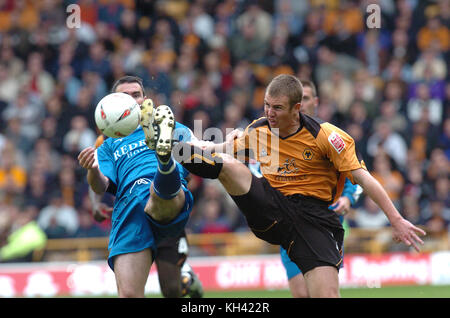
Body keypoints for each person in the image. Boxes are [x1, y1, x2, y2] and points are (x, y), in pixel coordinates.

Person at [174, 74, 426, 297]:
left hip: (314, 219)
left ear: (296, 108)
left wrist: (395, 219)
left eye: (277, 108)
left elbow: (364, 179)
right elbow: (219, 149)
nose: (269, 113)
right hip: (273, 206)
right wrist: (187, 147)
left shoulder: (325, 136)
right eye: (266, 106)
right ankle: (170, 151)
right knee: (228, 164)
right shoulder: (260, 130)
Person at [78, 75, 202, 298]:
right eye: (125, 96)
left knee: (173, 290)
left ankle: (164, 166)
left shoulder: (167, 124)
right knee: (128, 295)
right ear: (114, 102)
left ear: (145, 99)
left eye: (136, 95)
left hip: (165, 200)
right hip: (130, 209)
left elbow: (200, 154)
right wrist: (93, 173)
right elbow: (100, 185)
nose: (132, 101)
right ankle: (187, 275)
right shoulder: (106, 143)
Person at [278, 79, 362, 298]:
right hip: (291, 227)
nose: (301, 104)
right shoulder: (274, 138)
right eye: (296, 99)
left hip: (325, 224)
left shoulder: (331, 136)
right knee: (301, 294)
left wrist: (347, 199)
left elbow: (357, 174)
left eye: (305, 98)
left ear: (315, 101)